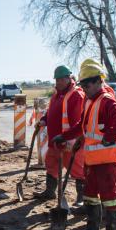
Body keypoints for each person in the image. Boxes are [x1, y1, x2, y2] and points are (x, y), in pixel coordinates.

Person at [73, 59, 116, 230]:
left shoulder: (106, 100)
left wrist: (109, 136)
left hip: (106, 160)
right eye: (82, 85)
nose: (85, 88)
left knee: (109, 197)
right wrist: (81, 140)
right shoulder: (90, 101)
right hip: (92, 160)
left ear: (98, 81)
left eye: (87, 84)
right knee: (90, 195)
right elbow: (87, 126)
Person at [34, 65, 85, 205]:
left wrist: (71, 139)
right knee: (51, 166)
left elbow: (79, 122)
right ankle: (49, 191)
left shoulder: (76, 95)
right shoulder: (56, 95)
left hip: (70, 142)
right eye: (57, 80)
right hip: (55, 140)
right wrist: (44, 120)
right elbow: (51, 112)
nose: (58, 83)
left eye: (62, 80)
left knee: (77, 170)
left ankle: (82, 198)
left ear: (69, 78)